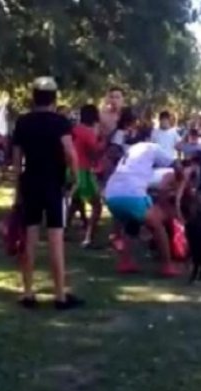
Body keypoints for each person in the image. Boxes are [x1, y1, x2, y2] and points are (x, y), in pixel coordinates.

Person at [11, 76, 84, 310]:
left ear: (33, 97)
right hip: (53, 184)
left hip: (30, 183)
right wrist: (76, 177)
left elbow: (16, 160)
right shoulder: (60, 122)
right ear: (54, 98)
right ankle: (60, 295)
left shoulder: (23, 122)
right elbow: (70, 152)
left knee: (30, 238)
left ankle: (28, 293)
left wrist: (17, 190)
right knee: (55, 240)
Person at [104, 141, 180, 277]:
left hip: (111, 195)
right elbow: (176, 165)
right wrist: (181, 179)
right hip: (131, 193)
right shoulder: (154, 147)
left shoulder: (131, 152)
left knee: (133, 222)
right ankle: (167, 266)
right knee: (157, 225)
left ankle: (125, 262)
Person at [71, 104, 106, 248]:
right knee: (97, 205)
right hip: (83, 172)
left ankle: (60, 232)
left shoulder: (73, 129)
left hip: (70, 170)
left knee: (75, 203)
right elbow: (95, 150)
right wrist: (104, 140)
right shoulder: (87, 132)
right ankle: (88, 239)